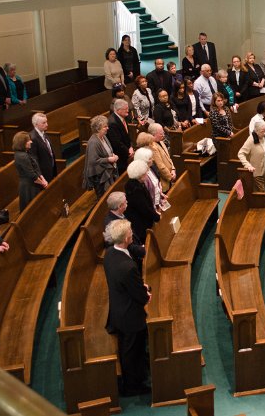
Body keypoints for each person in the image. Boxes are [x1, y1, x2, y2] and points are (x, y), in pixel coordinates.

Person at [103, 219, 152, 397]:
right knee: (131, 351)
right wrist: (145, 293)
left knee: (129, 347)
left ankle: (136, 374)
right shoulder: (128, 267)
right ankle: (133, 386)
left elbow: (123, 284)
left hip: (118, 308)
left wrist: (139, 286)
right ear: (125, 238)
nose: (132, 234)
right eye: (130, 232)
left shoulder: (110, 254)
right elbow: (139, 296)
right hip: (130, 316)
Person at [124, 160, 160, 244]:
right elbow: (144, 208)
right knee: (146, 242)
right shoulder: (136, 189)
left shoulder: (133, 183)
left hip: (140, 218)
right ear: (139, 175)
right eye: (145, 173)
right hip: (140, 223)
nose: (147, 175)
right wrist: (156, 217)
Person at [83, 115, 119, 197]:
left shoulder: (104, 137)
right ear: (98, 128)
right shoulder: (93, 142)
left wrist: (112, 155)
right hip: (100, 176)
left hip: (107, 171)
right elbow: (93, 161)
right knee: (103, 197)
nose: (107, 128)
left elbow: (108, 151)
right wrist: (108, 159)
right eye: (105, 127)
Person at [13, 131, 47, 211]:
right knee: (32, 210)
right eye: (28, 140)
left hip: (33, 184)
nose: (31, 141)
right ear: (22, 143)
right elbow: (31, 175)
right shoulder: (22, 156)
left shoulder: (25, 152)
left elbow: (35, 167)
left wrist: (42, 178)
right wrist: (43, 183)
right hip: (29, 187)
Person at [237, 120, 265, 192]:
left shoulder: (264, 137)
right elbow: (241, 153)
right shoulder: (251, 140)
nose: (264, 133)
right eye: (262, 131)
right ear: (256, 131)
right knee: (262, 195)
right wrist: (247, 165)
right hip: (258, 173)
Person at [107, 99, 134, 176]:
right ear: (118, 110)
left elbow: (127, 135)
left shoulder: (122, 117)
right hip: (120, 157)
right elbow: (117, 143)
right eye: (126, 109)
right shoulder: (112, 123)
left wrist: (131, 146)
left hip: (127, 152)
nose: (128, 111)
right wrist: (128, 152)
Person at [28, 113, 57, 183]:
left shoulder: (44, 133)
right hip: (43, 174)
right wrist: (40, 176)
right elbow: (34, 159)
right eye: (43, 123)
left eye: (46, 122)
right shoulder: (33, 138)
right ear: (36, 124)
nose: (47, 124)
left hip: (51, 170)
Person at [147, 123, 176, 192]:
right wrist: (170, 177)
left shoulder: (160, 141)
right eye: (161, 133)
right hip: (164, 181)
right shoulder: (152, 146)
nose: (163, 135)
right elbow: (160, 166)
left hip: (170, 176)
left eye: (163, 132)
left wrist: (173, 169)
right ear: (153, 134)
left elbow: (168, 157)